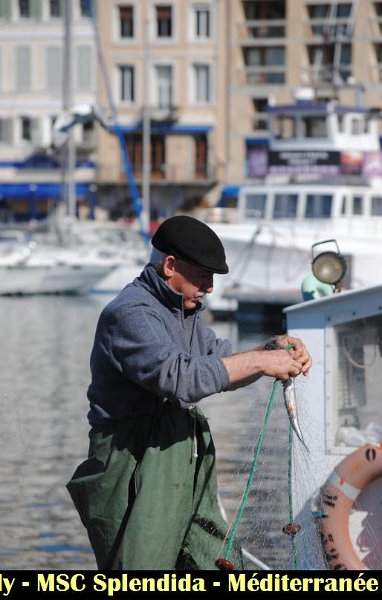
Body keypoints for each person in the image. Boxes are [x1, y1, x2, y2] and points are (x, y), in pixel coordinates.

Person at [66, 215, 312, 571]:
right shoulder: (129, 314)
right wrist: (261, 360)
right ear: (169, 266)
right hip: (136, 464)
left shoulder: (186, 310)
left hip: (186, 458)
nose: (210, 287)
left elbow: (222, 364)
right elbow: (180, 378)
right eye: (203, 276)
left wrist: (270, 347)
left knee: (215, 561)